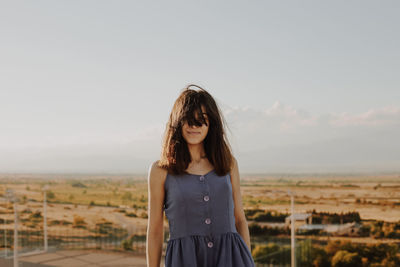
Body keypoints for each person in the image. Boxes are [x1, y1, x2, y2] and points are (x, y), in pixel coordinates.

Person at [146, 84, 256, 267]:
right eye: (188, 119)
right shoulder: (160, 171)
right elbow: (155, 230)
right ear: (177, 121)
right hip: (184, 261)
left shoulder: (228, 164)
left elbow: (240, 219)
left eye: (201, 119)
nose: (194, 126)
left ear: (211, 123)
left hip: (232, 259)